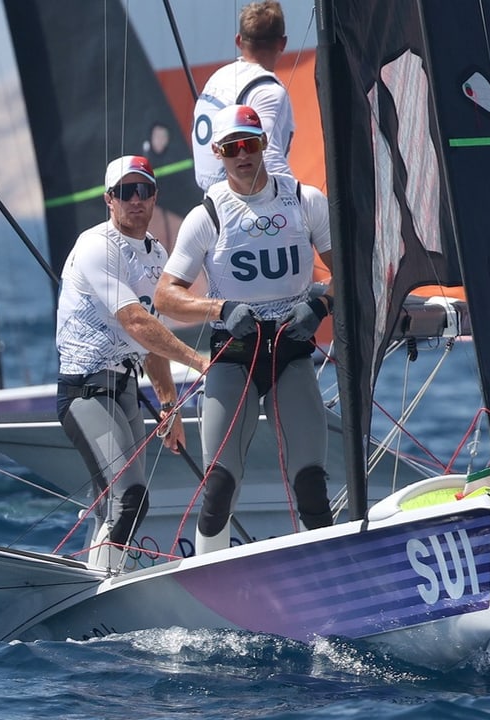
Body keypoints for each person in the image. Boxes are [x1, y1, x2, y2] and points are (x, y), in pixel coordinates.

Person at [155, 104, 334, 554]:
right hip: (234, 355)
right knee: (218, 485)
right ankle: (207, 580)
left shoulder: (305, 200)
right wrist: (220, 308)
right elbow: (164, 295)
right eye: (232, 148)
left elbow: (352, 273)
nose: (242, 155)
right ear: (218, 153)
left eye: (250, 144)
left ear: (263, 146)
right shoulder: (208, 215)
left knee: (311, 481)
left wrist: (320, 303)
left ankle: (333, 569)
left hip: (291, 353)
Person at [56, 154, 209, 569]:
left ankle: (95, 572)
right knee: (131, 498)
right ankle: (102, 587)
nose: (136, 200)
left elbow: (151, 341)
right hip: (85, 391)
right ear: (110, 200)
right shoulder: (96, 247)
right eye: (126, 192)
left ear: (155, 196)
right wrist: (199, 361)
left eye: (144, 191)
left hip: (124, 390)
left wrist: (170, 406)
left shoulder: (156, 254)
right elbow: (136, 322)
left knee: (119, 503)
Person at [191, 0, 295, 190]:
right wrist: (297, 205)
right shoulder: (268, 92)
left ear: (238, 41)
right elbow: (270, 159)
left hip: (212, 199)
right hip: (243, 203)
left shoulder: (217, 78)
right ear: (283, 43)